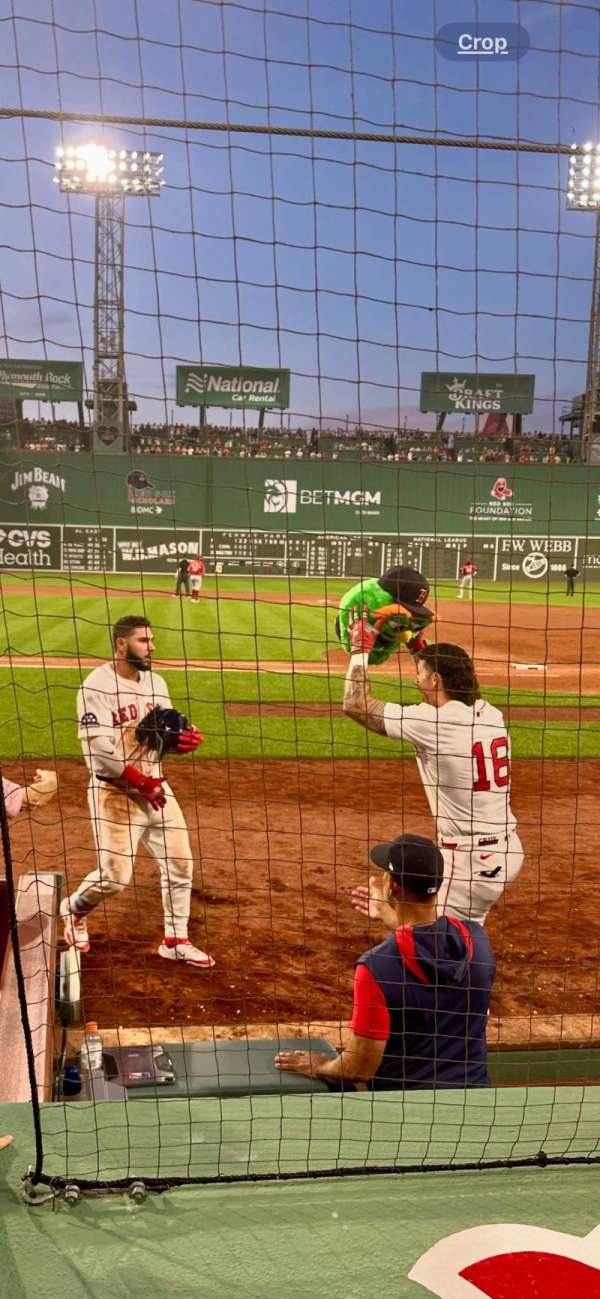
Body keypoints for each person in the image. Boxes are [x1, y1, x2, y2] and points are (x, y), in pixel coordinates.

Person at [275, 833, 495, 1090]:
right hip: (476, 1101)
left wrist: (321, 1065)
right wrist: (394, 920)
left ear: (392, 885)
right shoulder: (477, 942)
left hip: (404, 1111)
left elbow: (359, 1068)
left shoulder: (377, 967)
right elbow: (433, 958)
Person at [60, 616, 215, 969]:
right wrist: (140, 784)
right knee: (115, 879)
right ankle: (73, 910)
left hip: (157, 788)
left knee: (180, 866)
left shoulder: (156, 683)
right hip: (115, 795)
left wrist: (179, 743)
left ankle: (176, 941)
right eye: (144, 640)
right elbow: (98, 753)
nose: (152, 647)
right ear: (120, 644)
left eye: (152, 639)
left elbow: (157, 734)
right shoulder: (95, 687)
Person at [342, 624, 524, 924]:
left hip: (470, 862)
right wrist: (416, 645)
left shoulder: (433, 723)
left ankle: (390, 915)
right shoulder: (489, 712)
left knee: (426, 935)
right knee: (463, 933)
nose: (417, 678)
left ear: (436, 679)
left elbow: (356, 704)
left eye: (421, 672)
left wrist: (361, 649)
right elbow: (451, 683)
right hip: (507, 850)